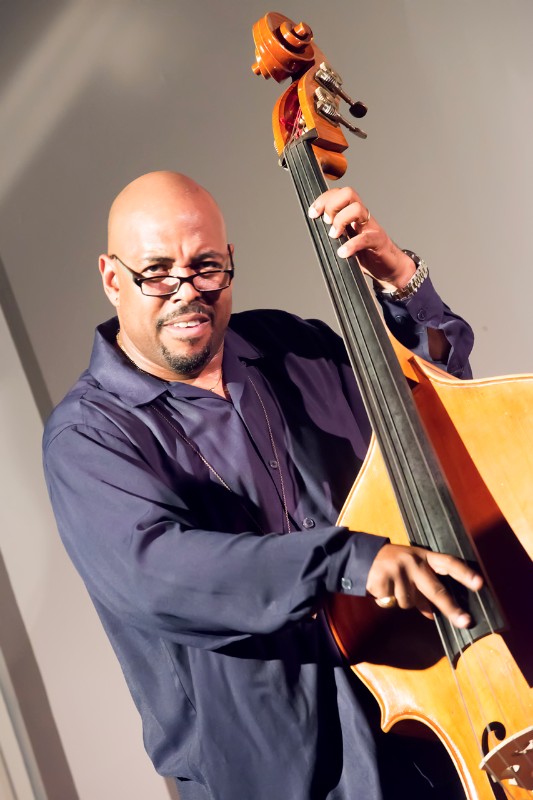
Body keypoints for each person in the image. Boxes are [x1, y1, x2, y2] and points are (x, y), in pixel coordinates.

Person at [43, 171, 480, 800]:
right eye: (157, 272)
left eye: (206, 267)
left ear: (230, 264)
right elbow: (161, 572)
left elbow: (439, 412)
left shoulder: (294, 344)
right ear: (113, 279)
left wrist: (402, 284)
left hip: (426, 719)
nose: (186, 292)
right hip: (280, 776)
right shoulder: (87, 438)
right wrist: (345, 559)